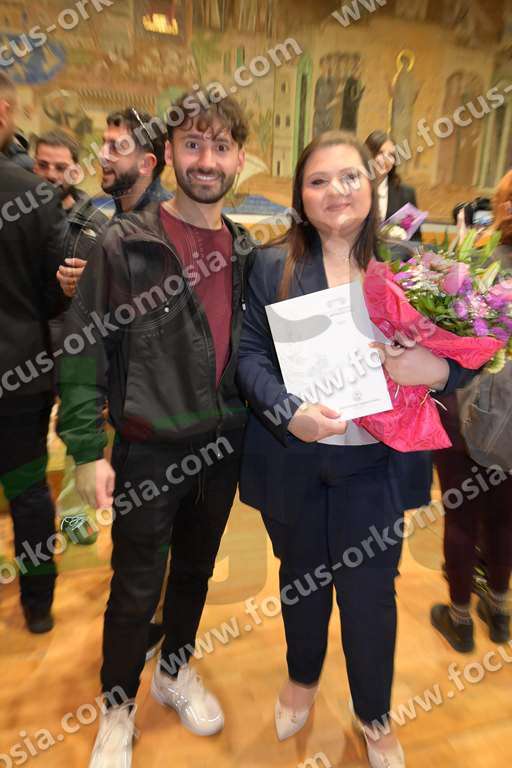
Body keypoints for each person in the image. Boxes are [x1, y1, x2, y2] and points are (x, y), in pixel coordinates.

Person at [237, 131, 475, 768]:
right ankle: (302, 679)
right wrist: (288, 412)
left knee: (370, 594)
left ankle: (374, 715)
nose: (336, 191)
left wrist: (438, 371)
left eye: (349, 177)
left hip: (377, 463)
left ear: (372, 187)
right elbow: (249, 356)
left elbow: (467, 349)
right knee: (301, 580)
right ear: (300, 195)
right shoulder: (271, 265)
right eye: (318, 181)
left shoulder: (410, 265)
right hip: (297, 457)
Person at [58, 92, 254, 767]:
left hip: (221, 447)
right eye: (193, 144)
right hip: (147, 448)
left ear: (240, 158)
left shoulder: (246, 249)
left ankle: (174, 671)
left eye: (221, 146)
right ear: (168, 152)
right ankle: (116, 709)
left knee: (195, 572)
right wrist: (88, 450)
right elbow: (82, 348)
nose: (207, 160)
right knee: (135, 587)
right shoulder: (126, 242)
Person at [55, 107, 171, 655]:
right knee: (136, 544)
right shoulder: (109, 220)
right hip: (125, 411)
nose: (102, 155)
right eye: (102, 143)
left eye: (116, 147)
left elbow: (166, 325)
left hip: (159, 423)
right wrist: (86, 289)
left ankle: (153, 627)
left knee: (152, 546)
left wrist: (104, 289)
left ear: (147, 162)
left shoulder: (165, 226)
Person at [431, 170, 512, 652]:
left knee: (461, 517)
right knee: (505, 517)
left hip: (469, 407)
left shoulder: (479, 261)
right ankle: (499, 611)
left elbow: (448, 334)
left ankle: (460, 620)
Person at [0, 73, 67, 634]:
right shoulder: (37, 196)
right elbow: (54, 295)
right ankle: (38, 604)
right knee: (27, 492)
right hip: (21, 373)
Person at [33, 130, 109, 547]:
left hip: (75, 344)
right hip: (24, 343)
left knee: (76, 430)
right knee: (25, 434)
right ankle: (30, 512)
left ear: (76, 170)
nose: (51, 174)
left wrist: (88, 282)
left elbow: (111, 291)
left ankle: (72, 516)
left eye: (61, 167)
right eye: (42, 165)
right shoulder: (15, 213)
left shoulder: (96, 225)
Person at [366, 128, 431, 512]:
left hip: (399, 282)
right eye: (381, 154)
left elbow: (416, 242)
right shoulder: (357, 188)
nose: (387, 161)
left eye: (392, 155)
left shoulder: (404, 193)